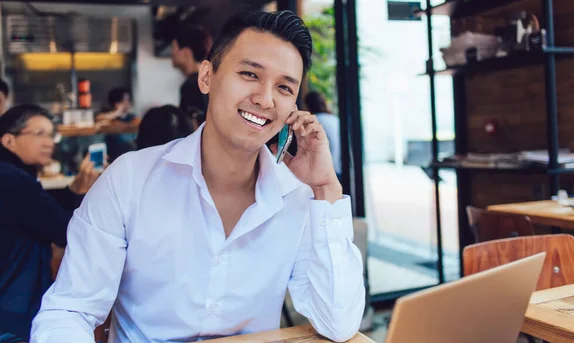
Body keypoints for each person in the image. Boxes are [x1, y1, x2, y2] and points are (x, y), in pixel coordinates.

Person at [31, 10, 365, 343]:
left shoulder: (298, 198)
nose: (265, 99)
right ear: (206, 77)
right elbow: (70, 311)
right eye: (249, 74)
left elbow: (337, 323)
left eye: (284, 87)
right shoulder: (128, 181)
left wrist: (325, 188)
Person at [0, 104, 100, 342]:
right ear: (9, 141)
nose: (49, 143)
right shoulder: (14, 180)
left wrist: (74, 190)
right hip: (12, 311)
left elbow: (37, 212)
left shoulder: (11, 175)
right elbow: (66, 230)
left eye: (50, 134)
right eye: (39, 134)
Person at [171, 25, 212, 128]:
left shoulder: (192, 85)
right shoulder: (209, 80)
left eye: (174, 49)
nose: (172, 54)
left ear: (186, 53)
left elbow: (194, 127)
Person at [304, 91, 341, 180]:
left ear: (308, 105)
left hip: (327, 171)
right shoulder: (335, 119)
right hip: (340, 168)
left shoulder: (313, 122)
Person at [96, 87, 139, 162]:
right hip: (113, 158)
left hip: (130, 156)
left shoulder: (132, 117)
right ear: (116, 103)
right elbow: (98, 119)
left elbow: (138, 124)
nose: (127, 103)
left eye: (128, 100)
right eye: (124, 100)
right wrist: (117, 112)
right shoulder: (109, 118)